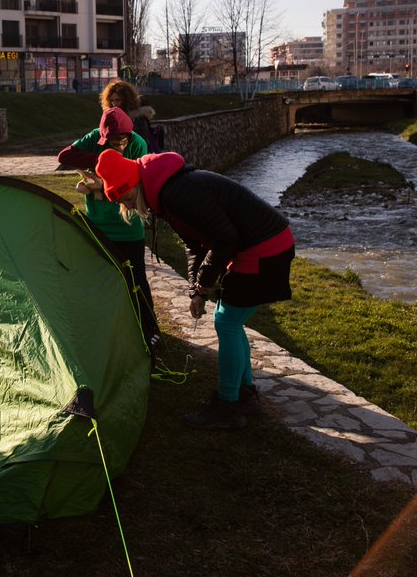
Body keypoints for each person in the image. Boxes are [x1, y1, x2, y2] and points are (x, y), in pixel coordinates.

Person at [94, 148, 295, 430]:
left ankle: (228, 406)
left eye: (127, 196)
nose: (128, 204)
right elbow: (194, 245)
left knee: (226, 323)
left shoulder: (176, 193)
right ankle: (245, 395)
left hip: (264, 249)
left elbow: (225, 238)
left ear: (136, 184)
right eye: (121, 201)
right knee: (231, 323)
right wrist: (196, 290)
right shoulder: (165, 192)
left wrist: (204, 283)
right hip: (262, 245)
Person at [56, 108, 160, 352]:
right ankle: (105, 328)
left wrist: (99, 185)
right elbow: (64, 156)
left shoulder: (138, 144)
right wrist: (100, 161)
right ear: (103, 138)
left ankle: (149, 329)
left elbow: (134, 184)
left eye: (123, 141)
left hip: (128, 226)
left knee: (137, 280)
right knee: (101, 277)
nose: (120, 146)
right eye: (114, 142)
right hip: (99, 224)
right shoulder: (94, 139)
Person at [102, 79, 164, 153]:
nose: (114, 104)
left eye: (117, 100)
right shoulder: (112, 117)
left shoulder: (137, 117)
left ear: (125, 100)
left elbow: (142, 141)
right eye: (112, 100)